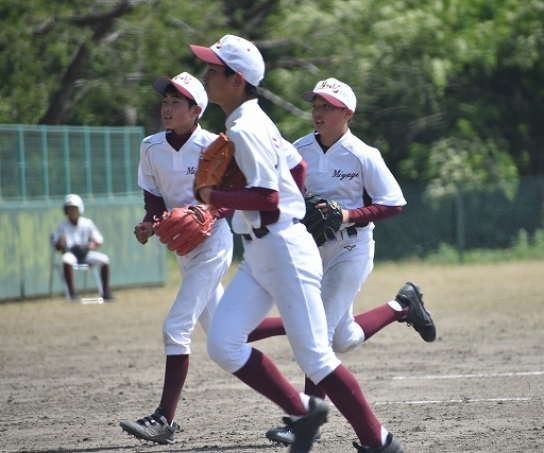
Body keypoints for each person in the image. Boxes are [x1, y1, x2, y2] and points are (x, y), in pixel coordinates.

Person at [189, 34, 405, 453]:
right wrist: (294, 203)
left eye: (213, 70)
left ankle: (379, 442)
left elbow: (268, 198)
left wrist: (212, 196)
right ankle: (304, 412)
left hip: (284, 248)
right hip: (260, 251)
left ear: (237, 80)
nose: (206, 76)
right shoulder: (254, 119)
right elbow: (298, 167)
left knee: (317, 356)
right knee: (223, 343)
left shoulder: (247, 127)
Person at [248, 78, 437, 446]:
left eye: (327, 106)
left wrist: (347, 215)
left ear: (347, 113)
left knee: (317, 335)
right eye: (315, 105)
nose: (318, 112)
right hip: (310, 250)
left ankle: (306, 422)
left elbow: (393, 203)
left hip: (352, 249)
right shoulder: (299, 149)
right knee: (342, 338)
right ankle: (403, 305)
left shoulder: (363, 154)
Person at [119, 72, 235, 445]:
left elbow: (233, 196)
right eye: (165, 102)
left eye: (176, 103)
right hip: (182, 247)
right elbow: (154, 196)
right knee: (227, 339)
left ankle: (164, 419)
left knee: (176, 327)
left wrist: (209, 213)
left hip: (213, 242)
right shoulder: (151, 146)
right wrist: (149, 224)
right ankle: (299, 405)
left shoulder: (213, 145)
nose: (167, 108)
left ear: (196, 110)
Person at [52, 193, 114, 301]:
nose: (72, 211)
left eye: (74, 209)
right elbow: (57, 246)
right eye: (69, 209)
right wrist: (61, 242)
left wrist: (89, 246)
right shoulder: (62, 226)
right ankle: (72, 293)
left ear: (80, 209)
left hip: (85, 253)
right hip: (71, 253)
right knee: (66, 259)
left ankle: (106, 292)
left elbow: (98, 240)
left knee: (104, 259)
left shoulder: (87, 223)